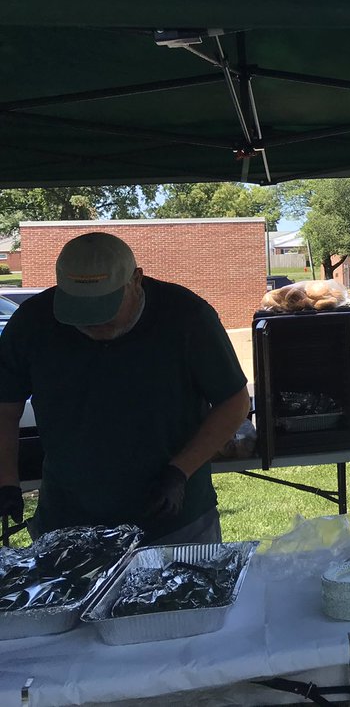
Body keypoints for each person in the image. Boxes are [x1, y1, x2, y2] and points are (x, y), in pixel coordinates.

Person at [0, 232, 250, 545]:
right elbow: (5, 406)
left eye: (104, 308)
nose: (92, 323)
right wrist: (6, 480)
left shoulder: (187, 317)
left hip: (172, 519)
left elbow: (234, 401)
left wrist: (179, 472)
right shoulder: (31, 322)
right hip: (68, 518)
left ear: (136, 280)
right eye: (79, 309)